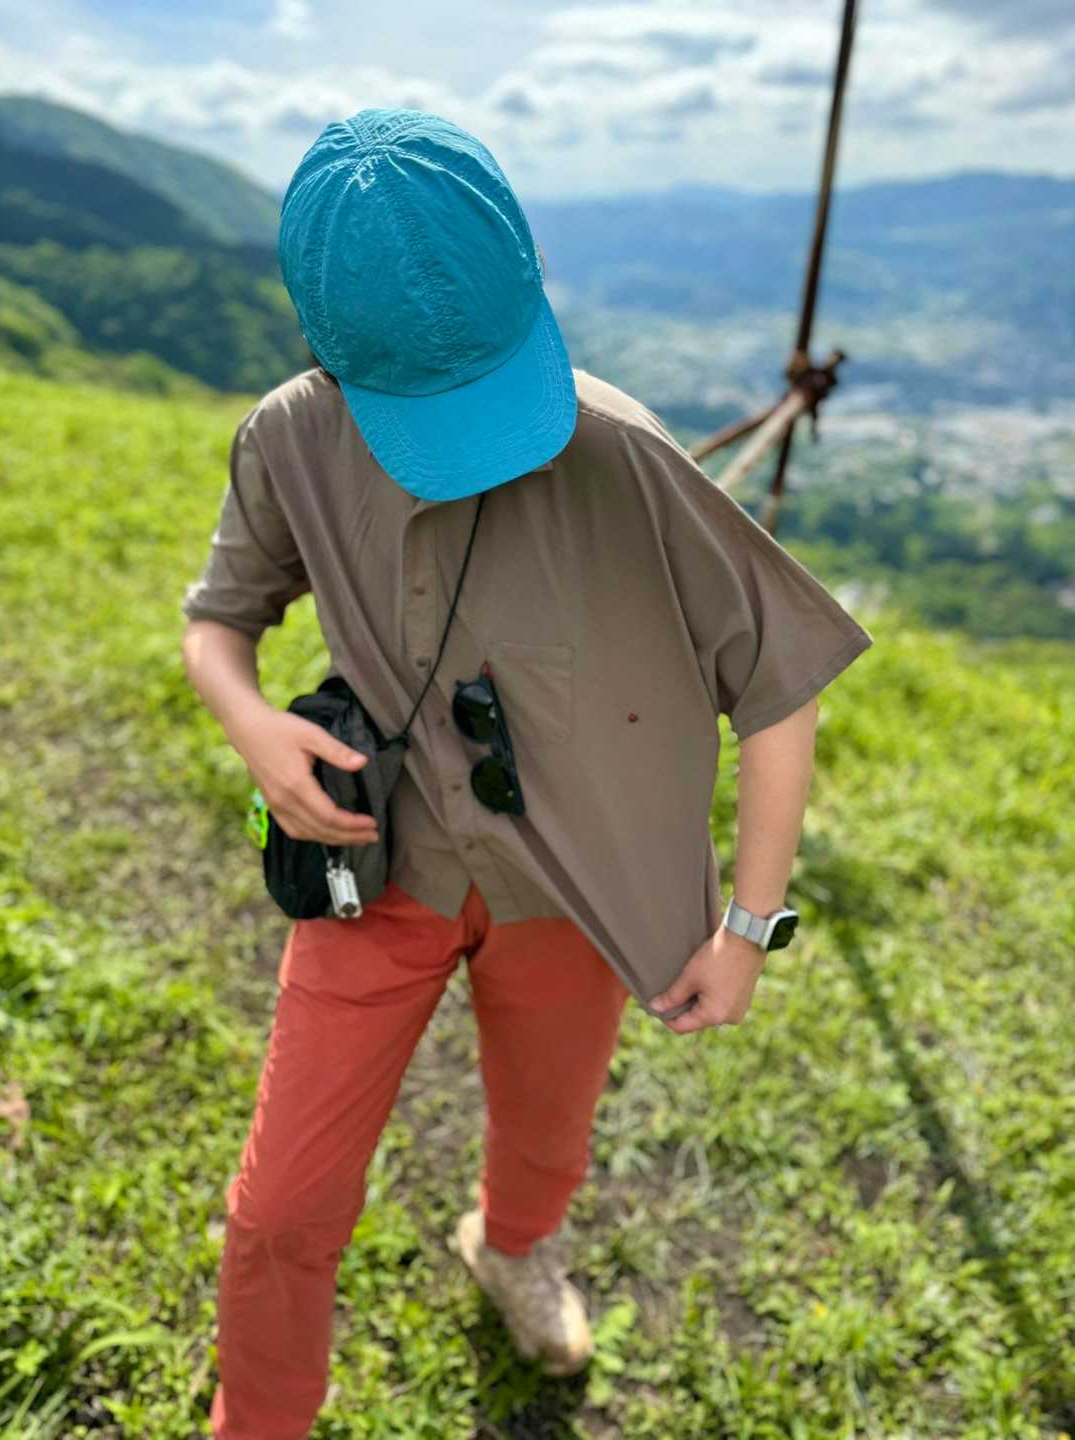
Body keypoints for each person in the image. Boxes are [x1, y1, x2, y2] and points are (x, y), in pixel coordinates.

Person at [180, 107, 874, 1439]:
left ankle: (512, 1248)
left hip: (571, 886)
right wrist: (251, 723)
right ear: (327, 347)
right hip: (378, 869)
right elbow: (219, 621)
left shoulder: (623, 451)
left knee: (548, 1134)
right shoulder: (286, 438)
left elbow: (780, 688)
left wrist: (748, 927)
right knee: (280, 1207)